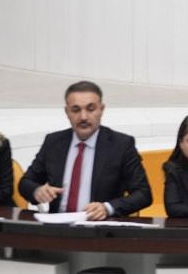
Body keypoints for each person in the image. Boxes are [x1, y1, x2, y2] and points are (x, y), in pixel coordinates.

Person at [18, 80, 152, 220]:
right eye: (76, 110)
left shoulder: (121, 145)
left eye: (90, 109)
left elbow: (143, 194)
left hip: (100, 227)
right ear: (67, 112)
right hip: (58, 225)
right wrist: (37, 191)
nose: (83, 117)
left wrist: (108, 208)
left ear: (101, 110)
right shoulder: (53, 142)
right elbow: (25, 183)